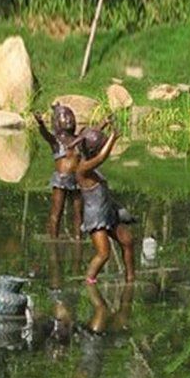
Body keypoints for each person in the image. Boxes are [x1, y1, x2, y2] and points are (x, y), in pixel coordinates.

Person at [71, 125, 135, 285]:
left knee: (127, 241)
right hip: (96, 218)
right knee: (103, 253)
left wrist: (104, 124)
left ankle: (130, 278)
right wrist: (113, 137)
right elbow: (101, 158)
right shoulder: (82, 169)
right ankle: (90, 280)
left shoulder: (91, 167)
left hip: (108, 214)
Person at [34, 105, 84, 239]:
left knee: (78, 212)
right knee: (57, 211)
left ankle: (78, 238)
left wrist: (104, 123)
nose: (69, 119)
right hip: (61, 179)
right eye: (65, 116)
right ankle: (53, 238)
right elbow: (46, 135)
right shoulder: (57, 141)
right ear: (57, 122)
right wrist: (41, 124)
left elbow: (91, 133)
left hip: (77, 180)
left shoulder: (77, 139)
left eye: (71, 116)